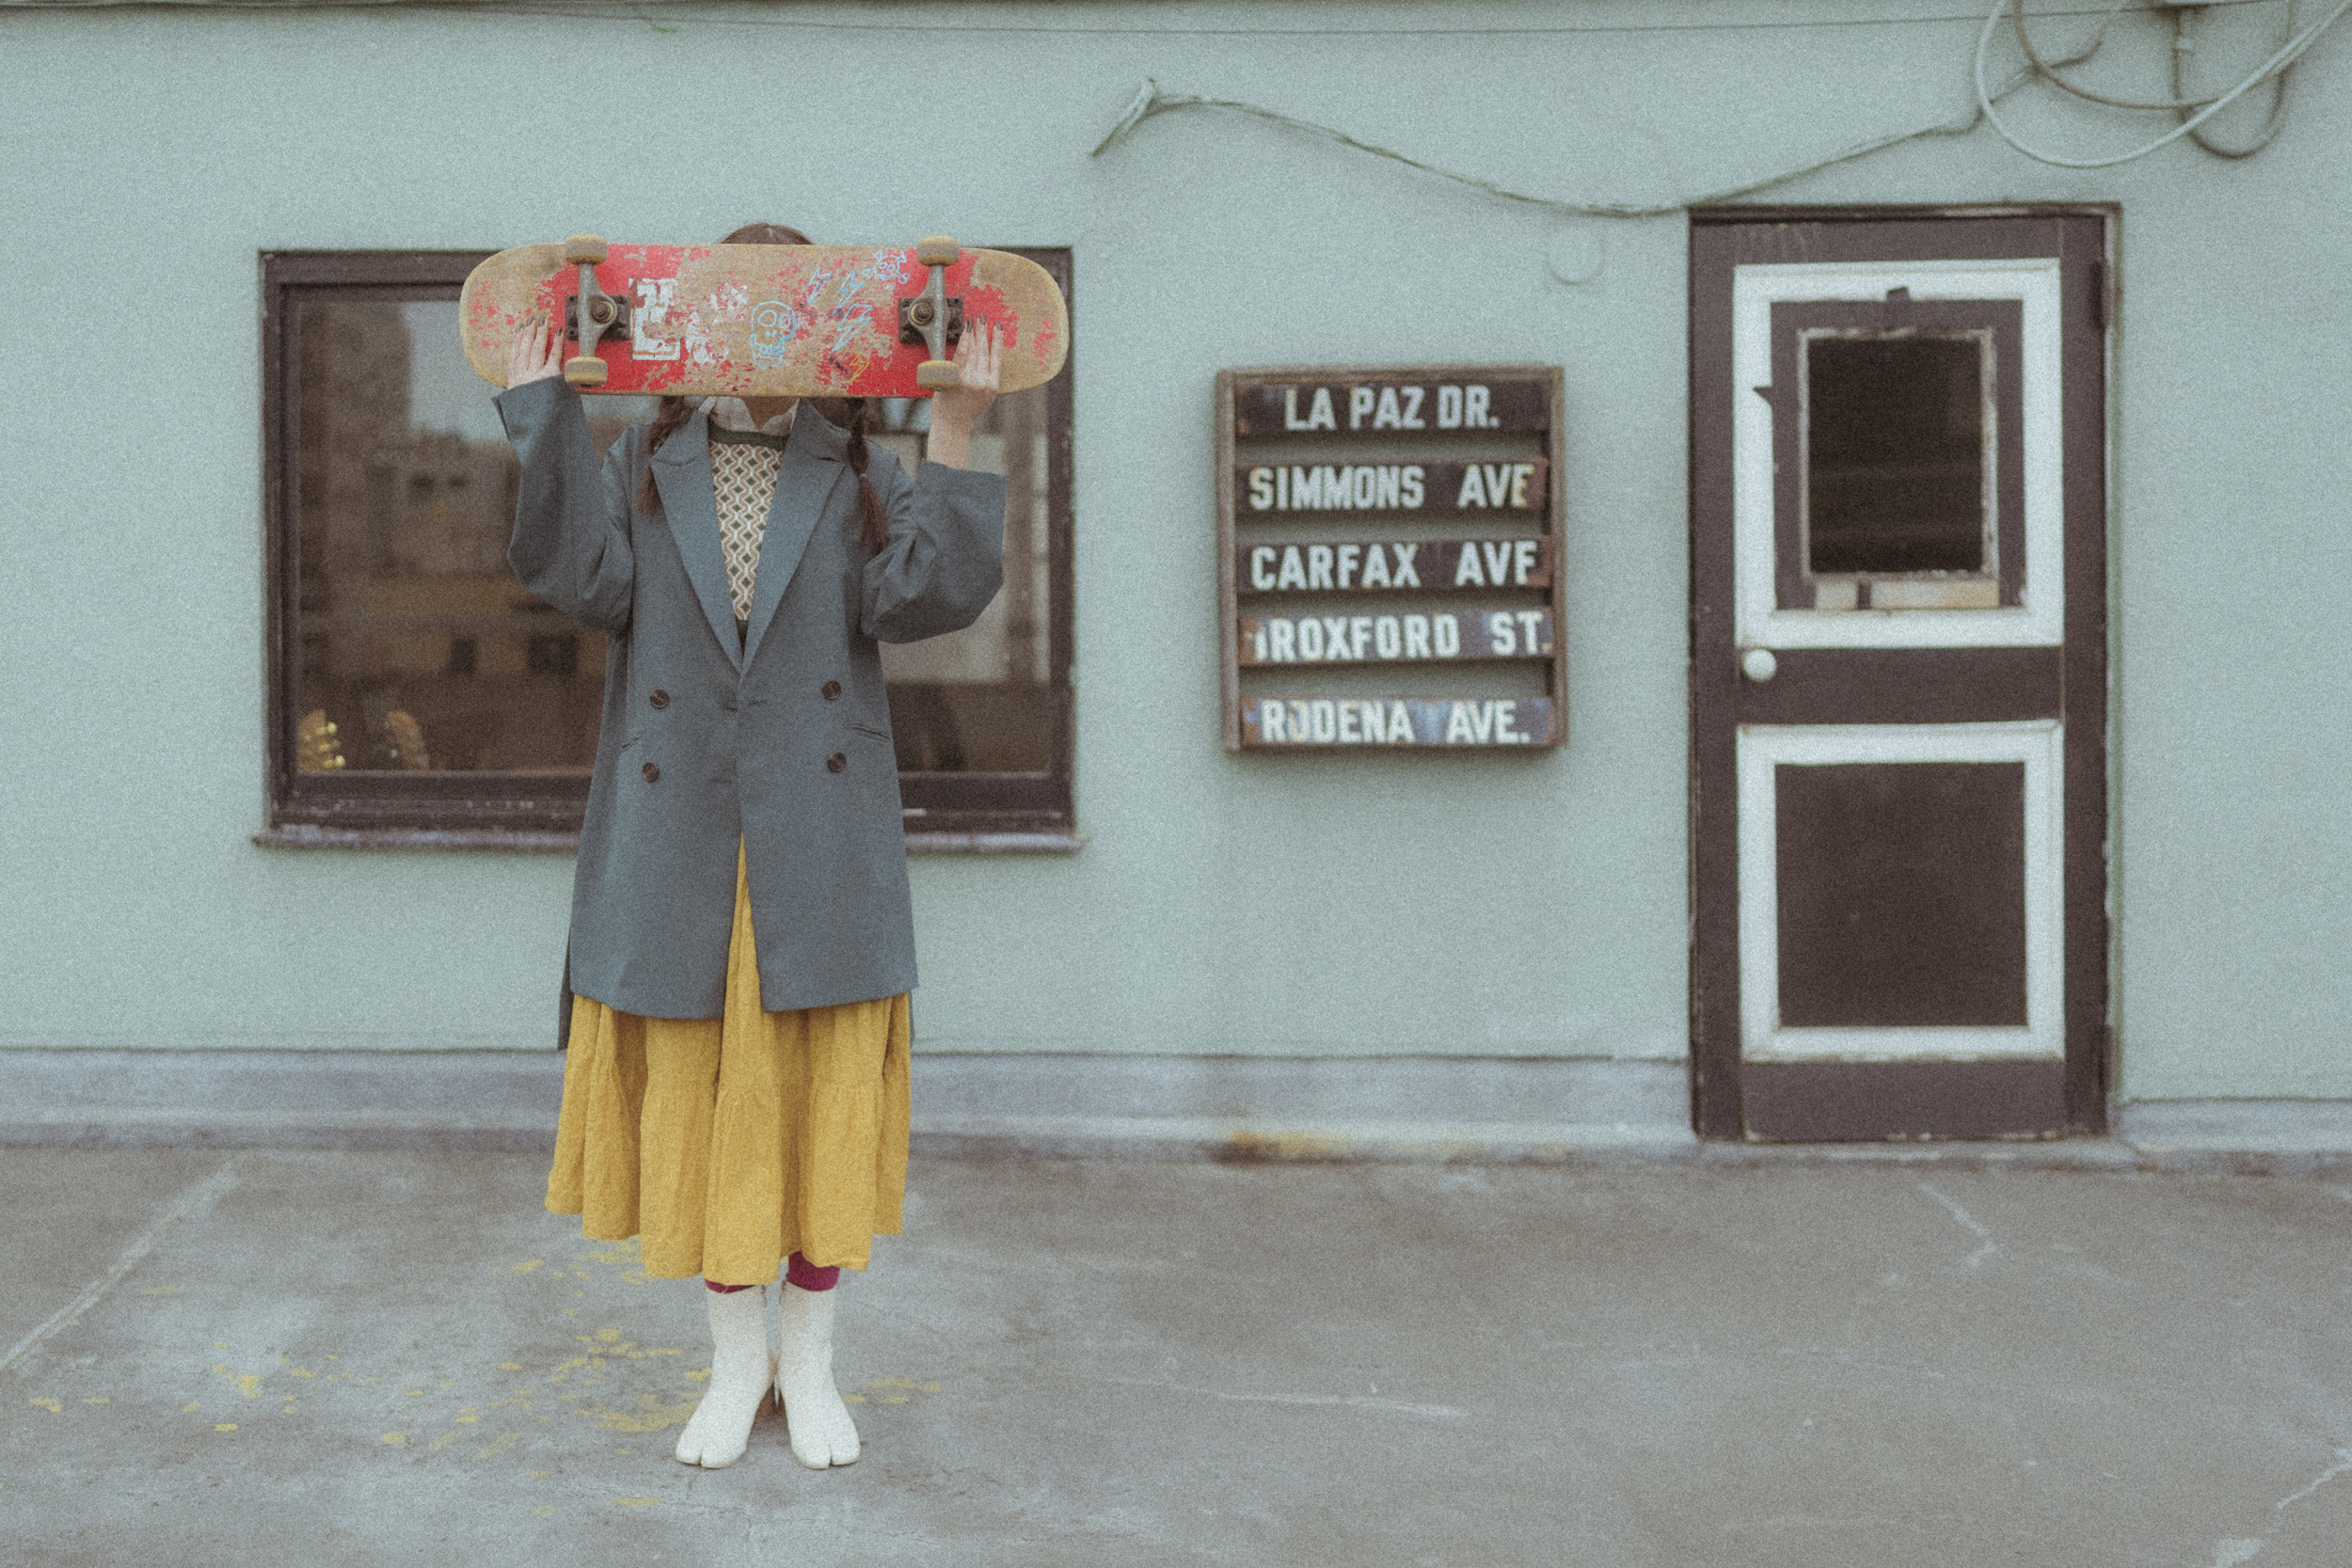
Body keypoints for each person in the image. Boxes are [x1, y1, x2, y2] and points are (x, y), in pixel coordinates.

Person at [495, 222, 1005, 1470]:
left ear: (830, 333)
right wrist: (545, 410)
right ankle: (736, 1366)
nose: (763, 339)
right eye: (739, 310)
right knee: (705, 1104)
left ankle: (810, 1364)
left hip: (816, 835)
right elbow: (580, 580)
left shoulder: (860, 467)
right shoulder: (643, 459)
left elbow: (923, 600)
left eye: (794, 312)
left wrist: (954, 434)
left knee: (819, 1104)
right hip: (680, 831)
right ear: (697, 324)